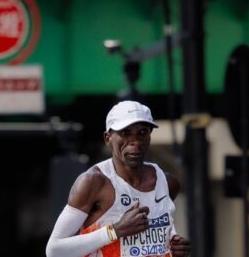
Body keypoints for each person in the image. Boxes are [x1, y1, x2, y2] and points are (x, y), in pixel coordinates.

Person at [46, 100, 191, 257]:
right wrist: (115, 230)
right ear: (108, 138)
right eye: (125, 133)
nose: (135, 141)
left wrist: (173, 248)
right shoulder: (94, 182)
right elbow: (54, 250)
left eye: (142, 132)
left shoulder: (167, 184)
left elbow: (155, 241)